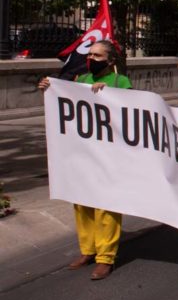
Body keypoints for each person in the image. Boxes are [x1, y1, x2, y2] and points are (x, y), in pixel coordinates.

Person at [38, 40, 131, 281]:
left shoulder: (121, 82)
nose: (91, 58)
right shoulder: (80, 80)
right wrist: (49, 88)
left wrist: (109, 95)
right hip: (83, 153)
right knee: (82, 203)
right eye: (89, 54)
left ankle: (105, 257)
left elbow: (129, 114)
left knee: (106, 206)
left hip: (108, 155)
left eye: (97, 55)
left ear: (110, 61)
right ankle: (88, 250)